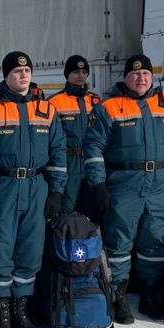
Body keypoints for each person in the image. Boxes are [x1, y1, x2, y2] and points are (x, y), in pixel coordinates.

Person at [0, 50, 67, 328]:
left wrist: (56, 190)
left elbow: (58, 152)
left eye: (27, 71)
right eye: (17, 71)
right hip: (2, 187)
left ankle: (21, 311)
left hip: (36, 186)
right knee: (0, 250)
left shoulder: (46, 110)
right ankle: (2, 314)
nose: (23, 75)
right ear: (6, 76)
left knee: (29, 251)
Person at [83, 53, 164, 324]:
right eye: (134, 74)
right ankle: (119, 295)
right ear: (125, 78)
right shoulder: (109, 107)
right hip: (125, 184)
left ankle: (150, 293)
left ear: (152, 76)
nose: (140, 78)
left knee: (154, 242)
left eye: (145, 73)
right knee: (119, 243)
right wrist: (97, 184)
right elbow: (93, 148)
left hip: (159, 184)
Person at [48, 54, 101, 215]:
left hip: (92, 163)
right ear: (67, 75)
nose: (81, 76)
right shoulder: (54, 101)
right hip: (68, 162)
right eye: (76, 72)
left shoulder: (96, 101)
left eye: (84, 72)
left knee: (92, 207)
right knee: (66, 207)